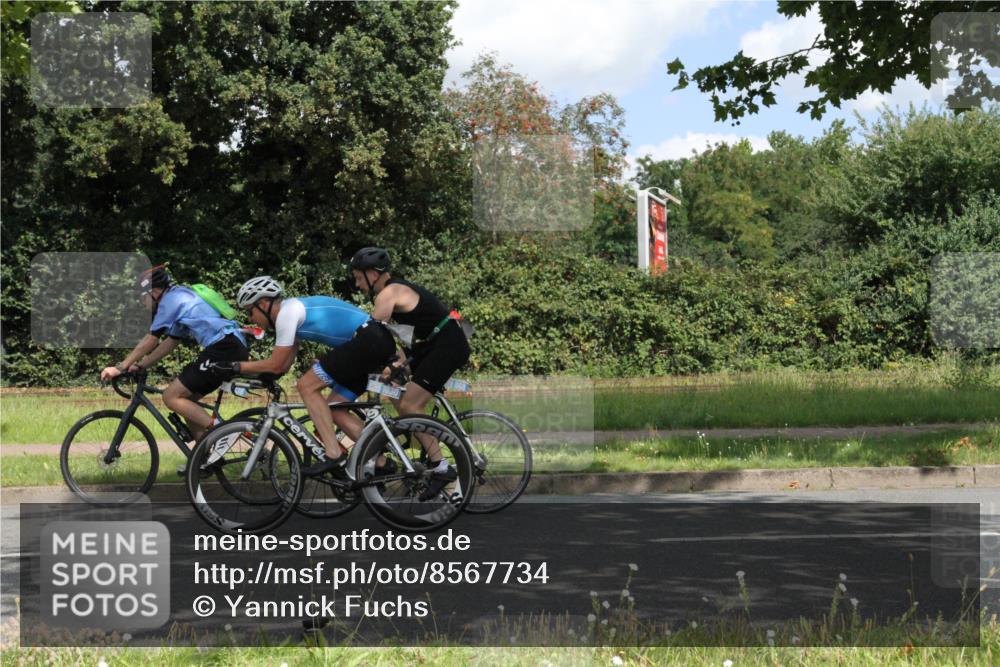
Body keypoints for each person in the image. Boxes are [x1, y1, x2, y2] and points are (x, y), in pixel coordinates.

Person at [218, 276, 396, 478]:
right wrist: (260, 376)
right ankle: (382, 462)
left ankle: (334, 454)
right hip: (371, 343)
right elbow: (282, 366)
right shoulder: (290, 314)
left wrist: (235, 366)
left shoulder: (287, 313)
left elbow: (276, 363)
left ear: (264, 304)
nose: (250, 319)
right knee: (335, 409)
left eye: (250, 311)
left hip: (368, 340)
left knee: (306, 386)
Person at [100, 265, 249, 471]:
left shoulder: (170, 301)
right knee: (185, 401)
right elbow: (171, 342)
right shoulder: (179, 296)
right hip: (229, 346)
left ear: (154, 292)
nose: (141, 303)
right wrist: (141, 365)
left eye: (141, 297)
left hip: (223, 348)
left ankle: (223, 432)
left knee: (171, 397)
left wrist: (121, 367)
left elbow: (151, 339)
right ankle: (204, 459)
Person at [350, 247, 471, 499]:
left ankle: (441, 467)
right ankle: (416, 443)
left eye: (359, 278)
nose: (357, 284)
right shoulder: (392, 291)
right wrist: (392, 368)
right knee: (392, 389)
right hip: (430, 345)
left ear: (373, 274)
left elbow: (372, 335)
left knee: (410, 404)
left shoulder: (388, 293)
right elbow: (395, 341)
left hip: (447, 344)